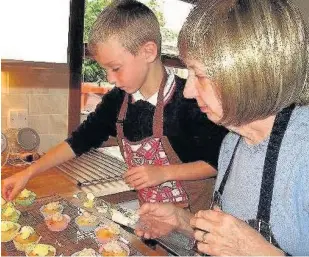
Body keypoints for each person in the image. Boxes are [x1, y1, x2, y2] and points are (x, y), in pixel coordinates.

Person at [1, 0, 227, 213]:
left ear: (148, 51)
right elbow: (78, 142)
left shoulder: (191, 101)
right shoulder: (118, 101)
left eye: (116, 68)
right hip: (152, 216)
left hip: (193, 225)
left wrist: (164, 172)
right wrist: (28, 173)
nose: (110, 78)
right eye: (106, 69)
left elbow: (218, 163)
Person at [135, 0, 309, 255]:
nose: (189, 91)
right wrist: (183, 223)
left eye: (200, 75)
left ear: (248, 73)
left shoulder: (303, 152)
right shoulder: (232, 142)